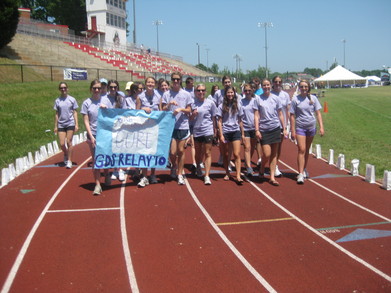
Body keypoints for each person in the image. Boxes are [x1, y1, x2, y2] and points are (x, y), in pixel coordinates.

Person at [290, 79, 324, 184]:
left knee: (307, 150)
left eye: (305, 86)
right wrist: (292, 130)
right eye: (302, 87)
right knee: (301, 149)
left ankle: (304, 168)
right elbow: (292, 115)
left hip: (311, 127)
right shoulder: (295, 100)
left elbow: (318, 113)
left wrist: (321, 127)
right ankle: (300, 174)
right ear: (299, 88)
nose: (304, 88)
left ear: (308, 87)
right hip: (300, 128)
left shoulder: (313, 98)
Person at [254, 78, 287, 186]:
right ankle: (262, 167)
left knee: (274, 154)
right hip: (264, 129)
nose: (266, 87)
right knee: (267, 154)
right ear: (262, 87)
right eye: (264, 85)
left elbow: (280, 114)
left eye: (268, 85)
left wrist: (284, 128)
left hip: (275, 128)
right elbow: (256, 115)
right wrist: (257, 130)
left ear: (270, 85)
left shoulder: (276, 99)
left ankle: (272, 177)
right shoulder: (258, 99)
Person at [80, 79, 111, 195]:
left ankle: (107, 173)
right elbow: (86, 120)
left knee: (106, 157)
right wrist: (91, 136)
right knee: (96, 159)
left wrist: (106, 110)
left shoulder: (106, 100)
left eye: (99, 88)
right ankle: (97, 184)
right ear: (91, 89)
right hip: (93, 133)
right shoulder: (86, 103)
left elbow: (111, 117)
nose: (97, 90)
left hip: (105, 133)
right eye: (95, 88)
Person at [161, 72, 192, 185]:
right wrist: (169, 104)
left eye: (177, 79)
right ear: (171, 80)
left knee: (181, 151)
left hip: (182, 125)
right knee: (173, 152)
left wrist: (181, 109)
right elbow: (162, 109)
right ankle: (174, 165)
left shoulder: (186, 94)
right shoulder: (166, 94)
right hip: (171, 126)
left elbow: (189, 110)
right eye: (173, 79)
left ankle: (180, 173)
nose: (175, 81)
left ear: (180, 80)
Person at [216, 86, 244, 184]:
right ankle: (227, 172)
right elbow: (219, 121)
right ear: (225, 94)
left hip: (235, 131)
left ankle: (238, 175)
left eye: (232, 92)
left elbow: (240, 120)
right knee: (226, 154)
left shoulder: (238, 105)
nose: (230, 94)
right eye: (228, 93)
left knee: (236, 154)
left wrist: (243, 134)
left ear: (234, 93)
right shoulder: (221, 106)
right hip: (226, 131)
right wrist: (221, 134)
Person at [137, 76, 162, 187]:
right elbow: (135, 111)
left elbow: (161, 112)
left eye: (152, 82)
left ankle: (152, 174)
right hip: (143, 128)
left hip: (155, 128)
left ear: (155, 84)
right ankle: (144, 176)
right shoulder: (140, 97)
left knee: (153, 152)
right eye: (148, 82)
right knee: (144, 152)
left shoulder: (158, 96)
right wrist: (143, 109)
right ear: (145, 83)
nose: (150, 84)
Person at [191, 83, 217, 185]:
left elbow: (214, 117)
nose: (201, 92)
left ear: (205, 91)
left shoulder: (211, 103)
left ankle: (207, 175)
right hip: (197, 131)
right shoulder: (193, 103)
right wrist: (193, 115)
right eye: (199, 90)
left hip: (208, 130)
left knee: (207, 153)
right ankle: (198, 166)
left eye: (203, 90)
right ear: (196, 92)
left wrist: (215, 130)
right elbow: (190, 119)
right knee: (198, 153)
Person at [53, 82, 79, 169]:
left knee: (69, 142)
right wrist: (55, 126)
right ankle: (65, 153)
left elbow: (75, 112)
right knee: (61, 144)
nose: (63, 89)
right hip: (61, 123)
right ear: (59, 89)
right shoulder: (57, 101)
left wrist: (76, 124)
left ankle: (69, 160)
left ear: (67, 89)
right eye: (61, 88)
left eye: (64, 88)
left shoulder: (72, 99)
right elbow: (57, 114)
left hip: (70, 122)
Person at [271, 75, 291, 177]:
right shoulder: (269, 94)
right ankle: (270, 163)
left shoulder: (285, 95)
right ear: (273, 83)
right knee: (269, 148)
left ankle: (275, 166)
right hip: (270, 124)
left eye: (279, 82)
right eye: (276, 82)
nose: (277, 83)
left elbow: (288, 110)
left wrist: (288, 125)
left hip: (281, 125)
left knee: (278, 146)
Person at [106, 80, 126, 181]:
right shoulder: (104, 98)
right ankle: (115, 169)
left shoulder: (121, 98)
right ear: (108, 88)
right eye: (111, 87)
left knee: (119, 149)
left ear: (117, 88)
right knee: (112, 149)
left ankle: (120, 169)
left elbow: (124, 112)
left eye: (115, 87)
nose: (113, 89)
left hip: (119, 127)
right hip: (108, 127)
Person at [240, 83, 258, 177]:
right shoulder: (241, 102)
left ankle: (247, 162)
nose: (247, 92)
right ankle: (248, 166)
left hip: (254, 128)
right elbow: (240, 117)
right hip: (245, 127)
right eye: (246, 90)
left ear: (252, 91)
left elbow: (258, 115)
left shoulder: (255, 101)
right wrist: (242, 131)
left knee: (252, 148)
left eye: (249, 90)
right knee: (247, 147)